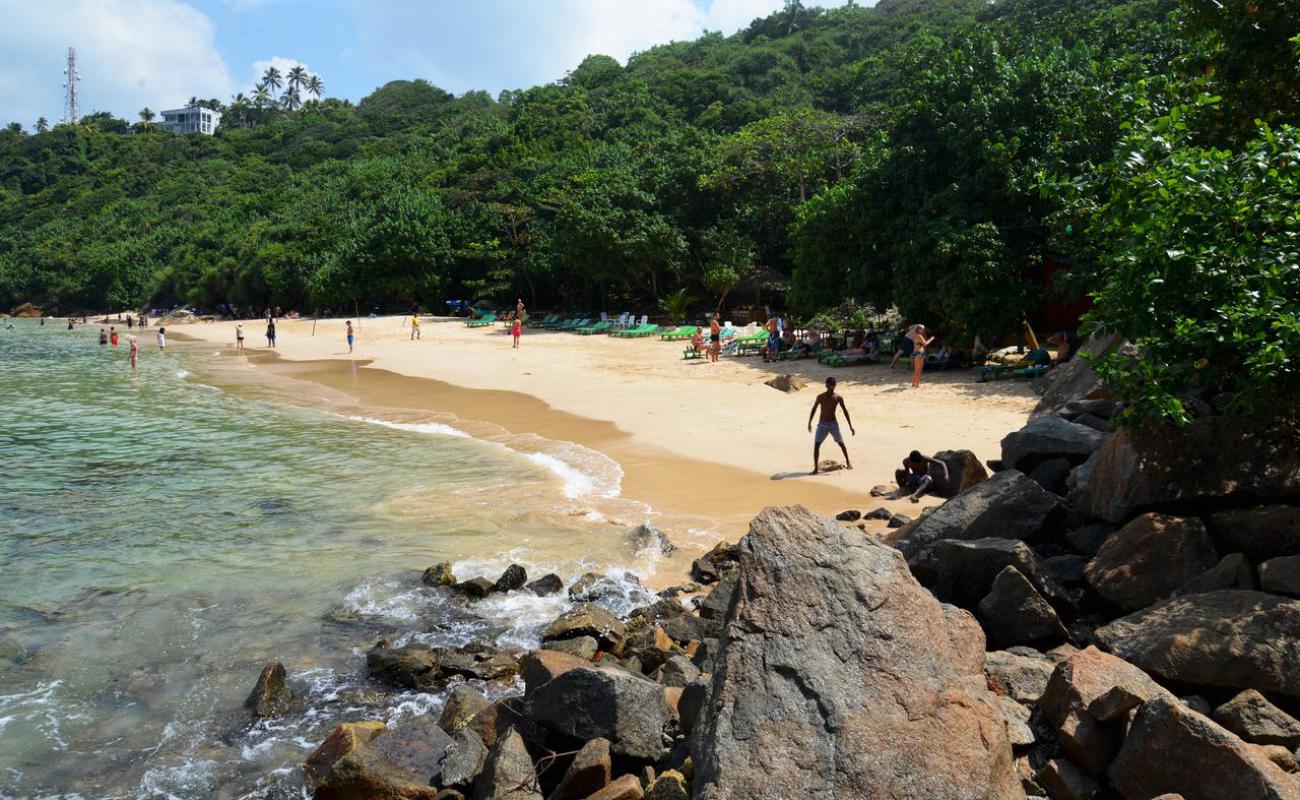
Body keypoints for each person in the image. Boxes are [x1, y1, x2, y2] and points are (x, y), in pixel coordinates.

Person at [806, 376, 855, 474]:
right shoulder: (820, 397)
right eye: (829, 385)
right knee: (816, 445)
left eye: (833, 385)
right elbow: (814, 408)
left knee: (841, 443)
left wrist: (850, 426)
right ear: (826, 385)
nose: (831, 387)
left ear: (835, 385)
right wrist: (809, 422)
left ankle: (848, 461)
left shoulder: (838, 397)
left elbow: (845, 411)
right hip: (822, 424)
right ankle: (815, 469)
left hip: (833, 424)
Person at [909, 324, 935, 389]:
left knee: (916, 369)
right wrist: (931, 339)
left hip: (917, 352)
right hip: (919, 353)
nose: (923, 330)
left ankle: (913, 383)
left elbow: (910, 328)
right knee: (918, 370)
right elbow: (925, 344)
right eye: (922, 329)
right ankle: (917, 385)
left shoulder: (915, 335)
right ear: (918, 329)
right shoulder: (919, 336)